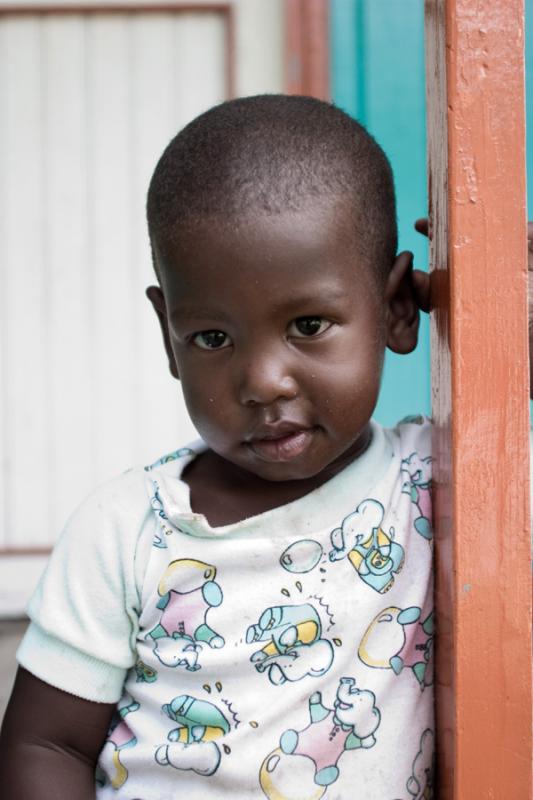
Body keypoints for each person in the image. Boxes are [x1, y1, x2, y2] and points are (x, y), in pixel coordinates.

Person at [0, 93, 494, 799]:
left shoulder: (439, 484)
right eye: (212, 338)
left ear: (393, 310)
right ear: (167, 333)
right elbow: (45, 743)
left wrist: (510, 306)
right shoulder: (127, 531)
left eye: (309, 325)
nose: (262, 381)